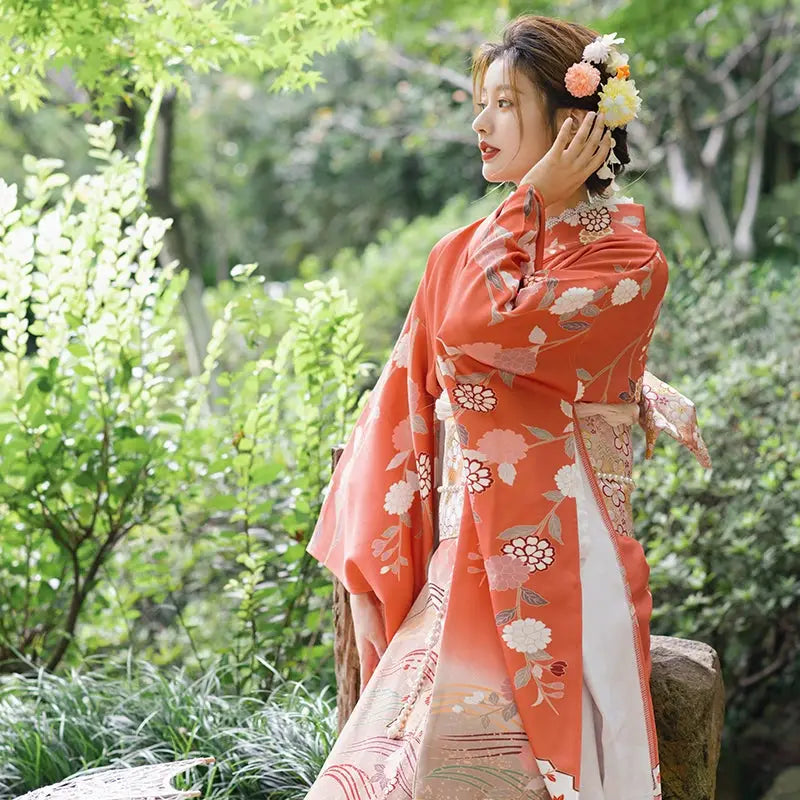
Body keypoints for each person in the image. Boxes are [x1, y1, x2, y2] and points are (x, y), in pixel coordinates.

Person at [304, 14, 711, 800]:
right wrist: (364, 565)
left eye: (502, 103)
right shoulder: (457, 252)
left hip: (564, 559)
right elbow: (399, 396)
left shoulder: (627, 262)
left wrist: (528, 201)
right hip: (459, 562)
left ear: (571, 127)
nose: (479, 122)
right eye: (478, 103)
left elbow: (474, 324)